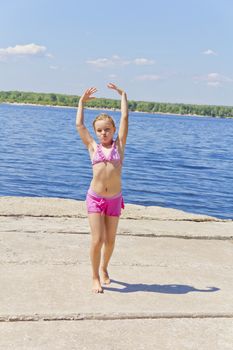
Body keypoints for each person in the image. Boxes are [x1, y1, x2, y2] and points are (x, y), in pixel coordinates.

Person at [76, 83, 128, 293]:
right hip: (95, 197)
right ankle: (95, 276)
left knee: (111, 240)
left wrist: (123, 95)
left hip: (114, 199)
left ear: (114, 130)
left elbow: (124, 118)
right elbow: (80, 126)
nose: (103, 133)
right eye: (100, 130)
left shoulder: (120, 146)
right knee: (97, 239)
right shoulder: (93, 147)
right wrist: (81, 102)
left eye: (107, 129)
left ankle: (105, 268)